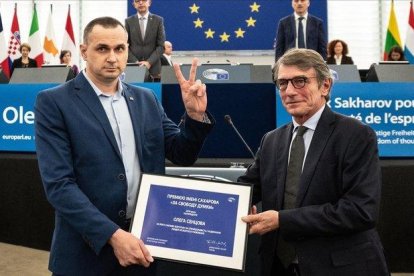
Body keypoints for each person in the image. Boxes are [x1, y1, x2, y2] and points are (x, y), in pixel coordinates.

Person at [35, 16, 214, 275]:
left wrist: (195, 117)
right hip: (84, 255)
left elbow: (181, 154)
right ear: (84, 51)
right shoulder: (54, 103)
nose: (112, 57)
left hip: (143, 248)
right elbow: (59, 186)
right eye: (102, 49)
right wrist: (114, 236)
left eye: (119, 49)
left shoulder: (146, 99)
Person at [240, 48, 389, 276]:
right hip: (278, 266)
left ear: (325, 86)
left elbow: (360, 211)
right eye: (282, 83)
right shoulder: (271, 140)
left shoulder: (355, 134)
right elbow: (246, 188)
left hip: (340, 268)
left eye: (300, 81)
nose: (289, 91)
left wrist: (282, 220)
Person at [125, 0, 165, 80]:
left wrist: (149, 62)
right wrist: (135, 63)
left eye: (143, 0)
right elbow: (125, 45)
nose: (140, 3)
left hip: (154, 69)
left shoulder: (158, 20)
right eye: (137, 1)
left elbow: (161, 46)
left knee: (155, 92)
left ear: (149, 3)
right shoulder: (128, 21)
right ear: (134, 4)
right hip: (134, 68)